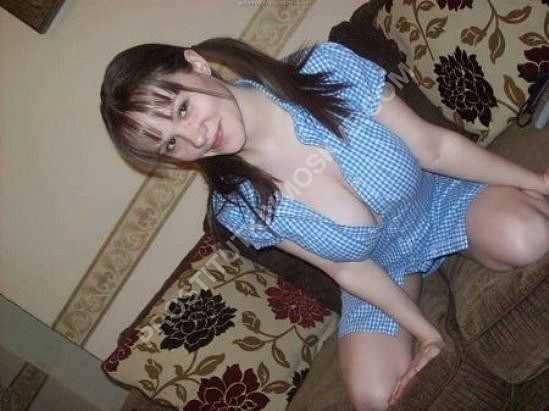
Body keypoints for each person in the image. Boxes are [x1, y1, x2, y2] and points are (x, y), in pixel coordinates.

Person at [99, 37, 549, 410]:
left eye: (181, 109)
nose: (196, 138)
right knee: (374, 398)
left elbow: (433, 147)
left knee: (527, 238)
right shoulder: (236, 204)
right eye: (170, 144)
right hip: (383, 267)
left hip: (438, 200)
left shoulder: (322, 69)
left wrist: (537, 182)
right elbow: (347, 269)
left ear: (196, 64)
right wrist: (429, 336)